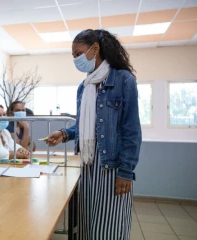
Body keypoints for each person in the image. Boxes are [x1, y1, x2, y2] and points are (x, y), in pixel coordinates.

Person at [45, 29, 142, 239]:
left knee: (109, 228)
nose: (76, 59)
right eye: (73, 56)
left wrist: (126, 172)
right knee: (88, 226)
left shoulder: (124, 80)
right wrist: (64, 134)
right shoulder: (84, 86)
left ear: (95, 48)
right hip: (87, 165)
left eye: (77, 53)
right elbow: (84, 126)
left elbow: (131, 130)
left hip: (111, 166)